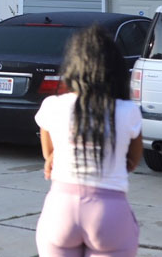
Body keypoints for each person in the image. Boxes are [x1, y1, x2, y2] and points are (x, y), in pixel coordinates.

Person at [35, 25, 143, 257]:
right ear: (115, 70)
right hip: (109, 212)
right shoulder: (127, 111)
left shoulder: (53, 106)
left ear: (73, 68)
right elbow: (132, 161)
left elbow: (49, 156)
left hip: (60, 210)